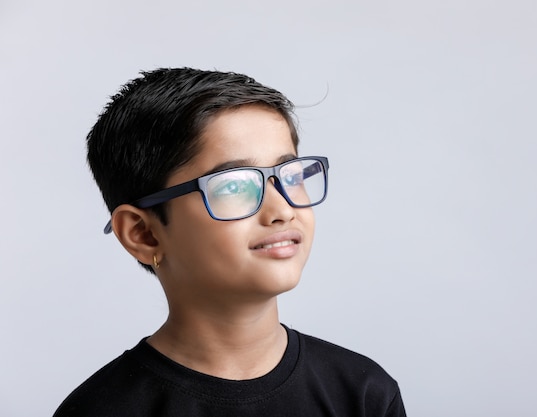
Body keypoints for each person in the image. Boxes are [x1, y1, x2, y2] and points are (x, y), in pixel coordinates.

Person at [53, 68, 406, 416]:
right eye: (234, 185)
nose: (282, 209)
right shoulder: (99, 409)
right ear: (143, 233)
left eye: (291, 175)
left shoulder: (362, 393)